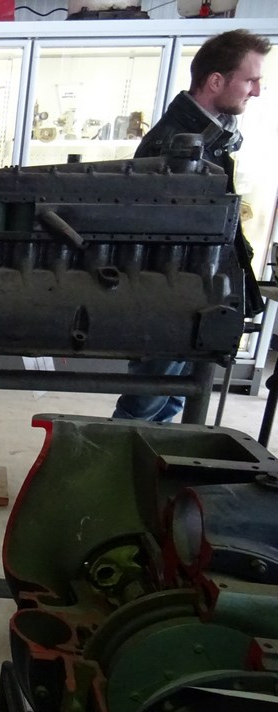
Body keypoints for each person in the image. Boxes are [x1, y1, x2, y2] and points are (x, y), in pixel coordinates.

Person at [114, 28, 271, 423]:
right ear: (216, 81)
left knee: (168, 400)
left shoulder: (209, 137)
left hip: (195, 292)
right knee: (146, 403)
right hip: (175, 296)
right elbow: (158, 232)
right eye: (250, 80)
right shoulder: (176, 143)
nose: (256, 91)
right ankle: (112, 460)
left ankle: (148, 459)